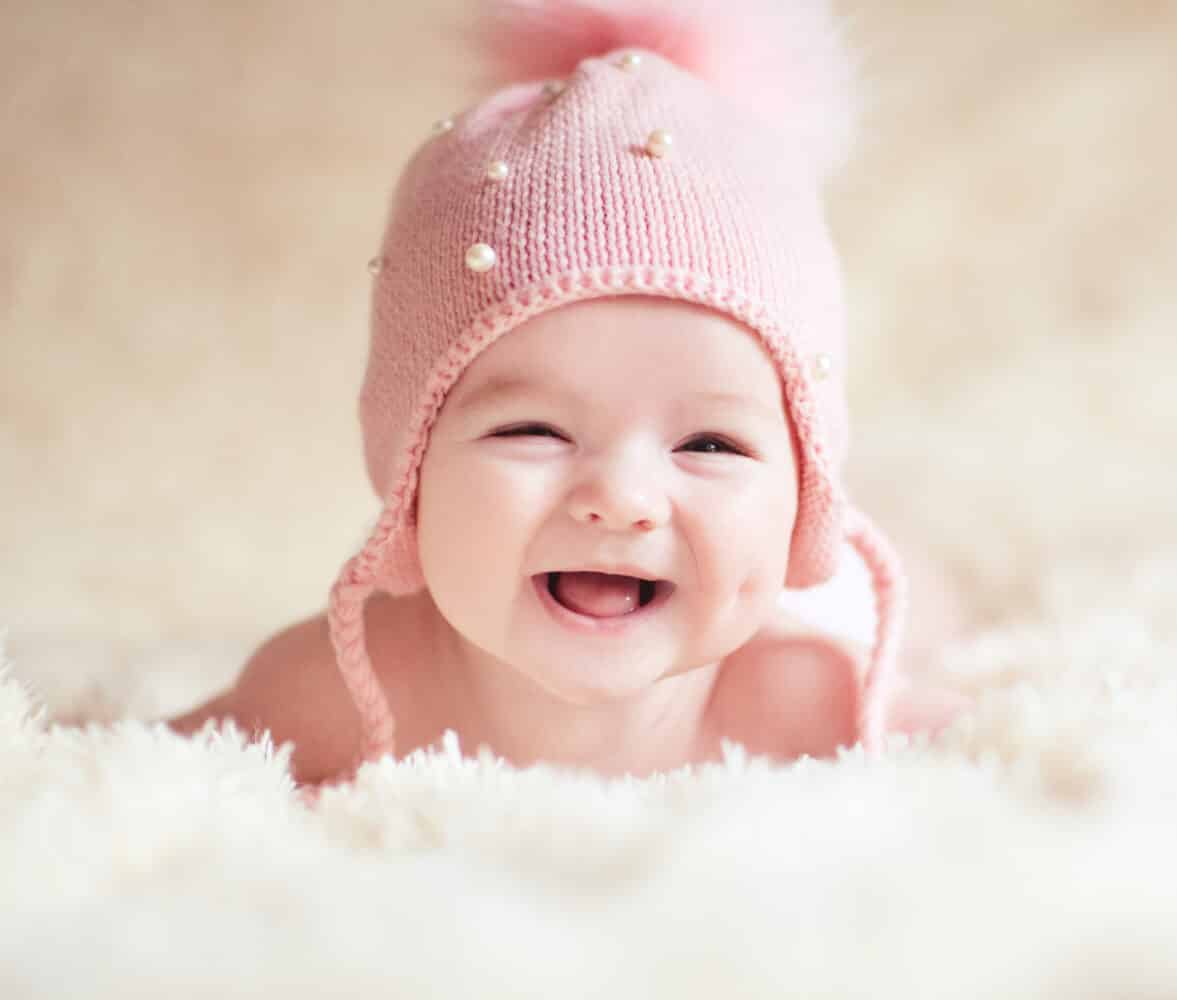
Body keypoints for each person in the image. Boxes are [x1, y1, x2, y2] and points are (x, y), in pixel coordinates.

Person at [168, 0, 969, 789]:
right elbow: (132, 769)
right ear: (411, 472)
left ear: (804, 497)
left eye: (710, 444)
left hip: (836, 607)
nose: (620, 498)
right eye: (533, 430)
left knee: (918, 595)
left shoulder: (813, 700)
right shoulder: (333, 692)